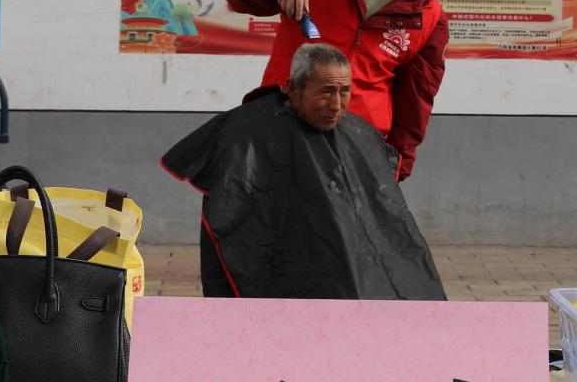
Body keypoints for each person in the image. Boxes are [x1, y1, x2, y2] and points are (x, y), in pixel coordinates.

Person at [160, 43, 445, 300]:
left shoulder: (358, 133)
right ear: (293, 89)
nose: (336, 106)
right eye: (326, 92)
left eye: (344, 91)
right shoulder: (249, 131)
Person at [220, 0, 448, 180]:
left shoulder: (428, 18)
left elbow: (416, 98)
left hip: (357, 152)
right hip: (280, 132)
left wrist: (398, 164)